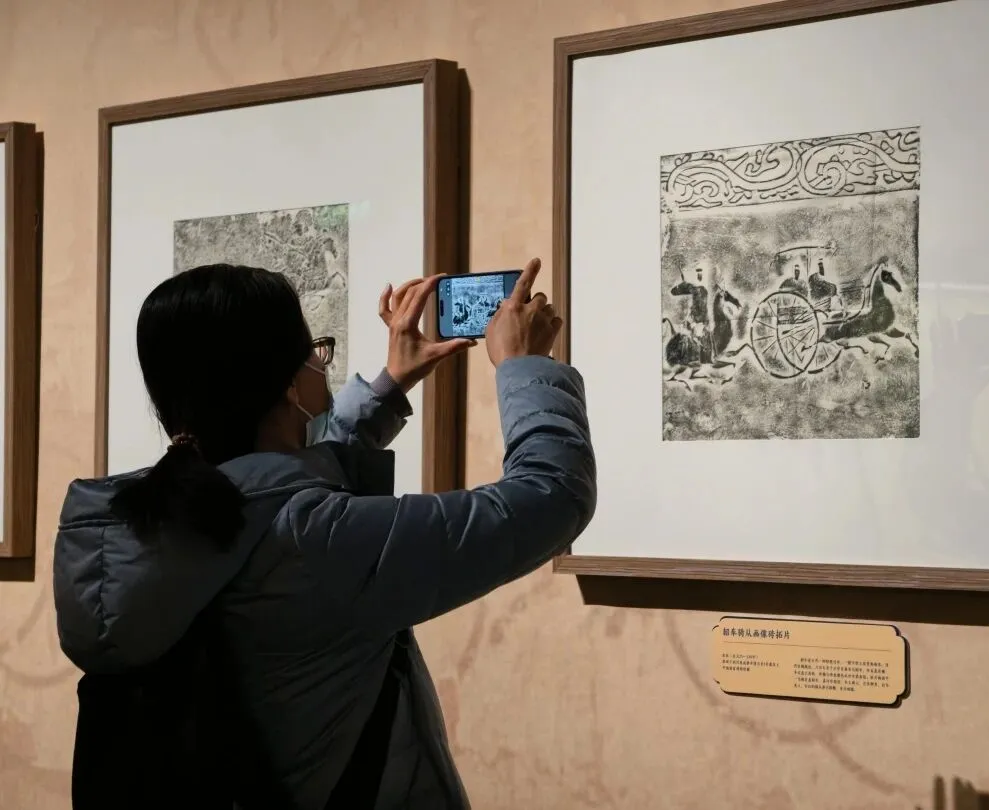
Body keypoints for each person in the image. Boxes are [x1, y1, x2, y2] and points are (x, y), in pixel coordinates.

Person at [53, 257, 596, 809]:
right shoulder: (313, 539)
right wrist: (524, 365)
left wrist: (390, 385)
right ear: (290, 385)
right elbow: (551, 497)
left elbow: (271, 484)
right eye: (315, 350)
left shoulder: (147, 521)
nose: (321, 362)